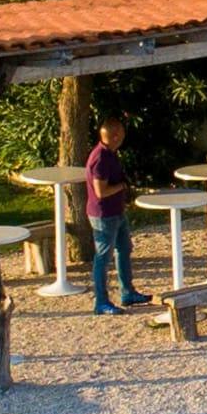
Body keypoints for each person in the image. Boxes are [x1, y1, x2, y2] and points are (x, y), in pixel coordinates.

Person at [82, 115, 144, 315]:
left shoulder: (109, 153)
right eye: (122, 132)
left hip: (116, 212)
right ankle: (101, 301)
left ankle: (128, 292)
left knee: (124, 249)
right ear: (116, 135)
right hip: (104, 215)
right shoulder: (100, 158)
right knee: (103, 257)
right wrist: (123, 186)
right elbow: (101, 191)